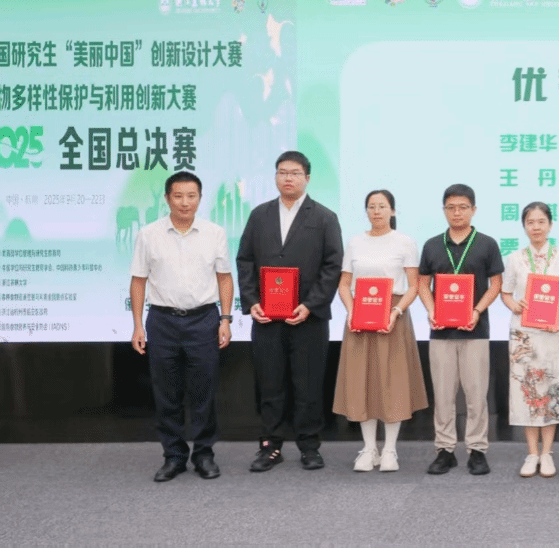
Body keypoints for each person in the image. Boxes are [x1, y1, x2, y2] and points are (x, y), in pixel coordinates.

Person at [237, 150, 344, 472]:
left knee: (307, 385)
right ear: (275, 177)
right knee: (270, 384)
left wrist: (310, 305)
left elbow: (333, 265)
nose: (288, 178)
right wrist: (252, 301)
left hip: (308, 318)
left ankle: (309, 446)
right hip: (267, 317)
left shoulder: (324, 217)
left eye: (295, 173)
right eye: (282, 172)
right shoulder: (260, 215)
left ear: (307, 178)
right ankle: (270, 446)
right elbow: (245, 260)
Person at [129, 171, 233, 482]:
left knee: (203, 391)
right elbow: (138, 281)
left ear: (200, 198)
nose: (185, 202)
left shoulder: (215, 233)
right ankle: (173, 456)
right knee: (166, 393)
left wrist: (225, 319)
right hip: (162, 321)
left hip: (204, 320)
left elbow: (224, 278)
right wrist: (137, 325)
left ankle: (204, 454)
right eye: (178, 196)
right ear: (167, 198)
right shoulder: (148, 234)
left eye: (191, 196)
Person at [332, 189, 428, 472]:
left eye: (382, 206)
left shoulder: (405, 242)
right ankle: (369, 448)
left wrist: (396, 312)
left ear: (392, 211)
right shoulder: (355, 242)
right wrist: (351, 310)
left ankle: (389, 450)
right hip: (360, 317)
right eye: (372, 206)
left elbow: (413, 286)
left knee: (392, 381)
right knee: (361, 381)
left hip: (392, 317)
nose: (376, 211)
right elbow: (344, 284)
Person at [418, 183, 504, 476]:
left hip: (475, 330)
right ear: (444, 210)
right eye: (451, 207)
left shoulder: (487, 244)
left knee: (476, 395)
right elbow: (422, 283)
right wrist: (431, 310)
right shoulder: (432, 245)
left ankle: (477, 450)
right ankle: (445, 450)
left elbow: (496, 284)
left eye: (463, 207)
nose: (457, 213)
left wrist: (477, 310)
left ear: (473, 210)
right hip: (441, 332)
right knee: (443, 396)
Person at [500, 202, 559, 478]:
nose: (536, 227)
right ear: (524, 226)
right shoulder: (515, 258)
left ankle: (547, 453)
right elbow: (506, 293)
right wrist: (514, 305)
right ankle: (531, 453)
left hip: (554, 335)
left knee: (551, 391)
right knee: (527, 391)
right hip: (525, 336)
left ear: (550, 225)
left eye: (541, 221)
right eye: (530, 222)